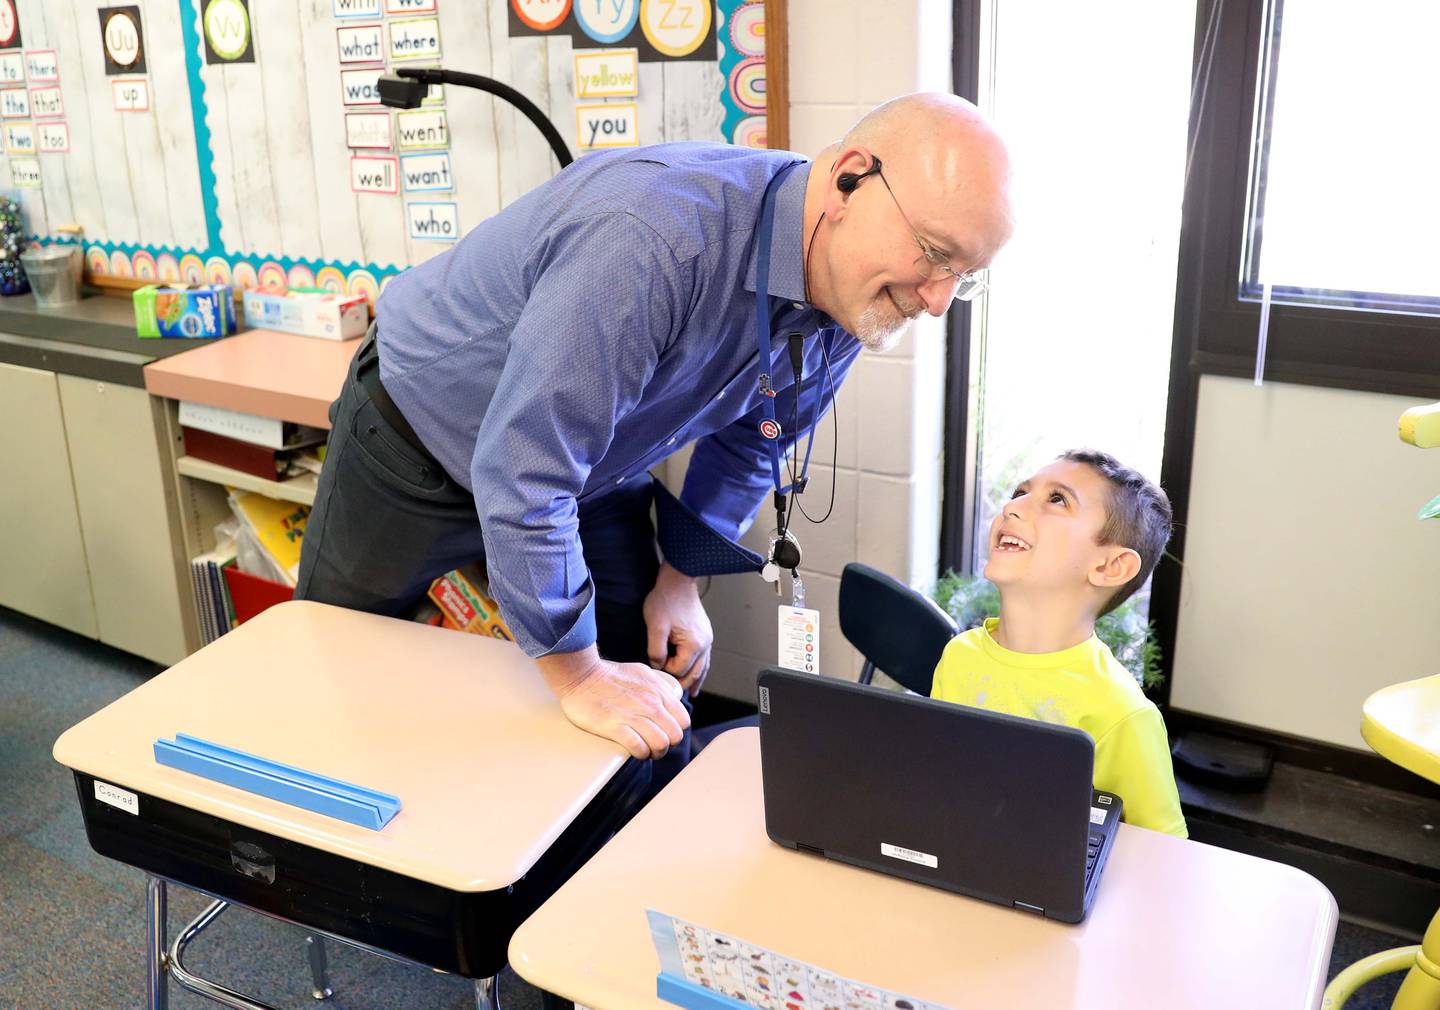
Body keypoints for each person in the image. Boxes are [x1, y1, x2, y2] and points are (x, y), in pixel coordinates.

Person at [297, 93, 1015, 768]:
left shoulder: (853, 294)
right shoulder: (651, 238)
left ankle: (581, 870)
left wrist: (681, 583)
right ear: (851, 180)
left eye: (966, 276)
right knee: (336, 658)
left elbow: (752, 445)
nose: (936, 299)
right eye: (933, 251)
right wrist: (577, 677)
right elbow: (525, 469)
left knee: (643, 664)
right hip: (414, 442)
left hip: (593, 462)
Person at [930, 449, 1188, 837]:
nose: (1012, 507)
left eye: (1056, 500)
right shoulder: (959, 656)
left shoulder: (1122, 713)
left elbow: (1167, 858)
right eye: (1020, 491)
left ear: (1109, 567)